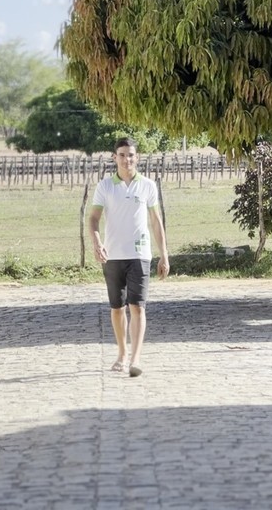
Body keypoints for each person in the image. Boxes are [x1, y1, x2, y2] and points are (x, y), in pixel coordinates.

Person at [89, 137, 170, 378]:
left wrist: (164, 255)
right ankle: (122, 354)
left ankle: (135, 359)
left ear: (138, 157)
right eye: (122, 155)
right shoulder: (105, 186)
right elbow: (93, 219)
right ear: (115, 158)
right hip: (113, 256)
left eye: (131, 155)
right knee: (117, 308)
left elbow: (156, 222)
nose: (127, 159)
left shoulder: (147, 186)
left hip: (140, 255)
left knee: (138, 307)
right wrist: (96, 243)